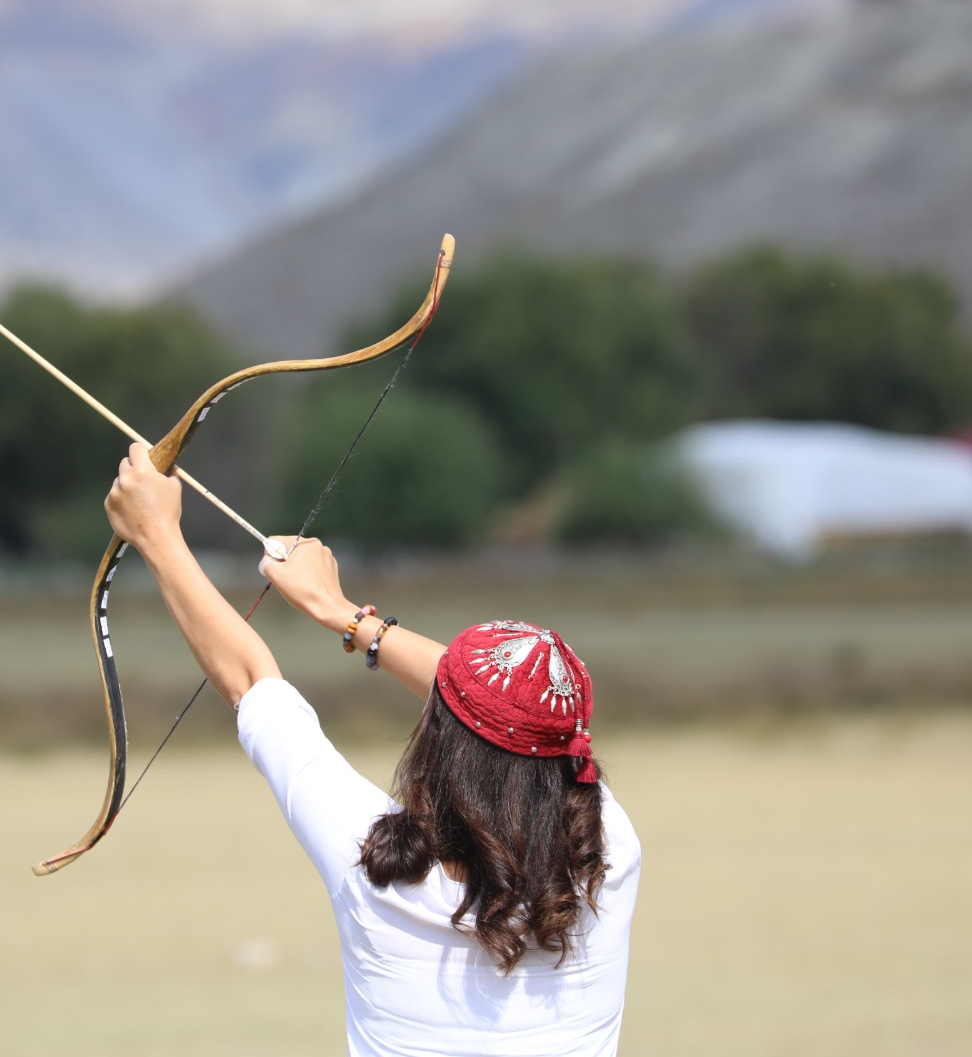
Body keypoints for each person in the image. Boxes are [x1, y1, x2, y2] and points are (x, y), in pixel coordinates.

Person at [105, 443, 641, 1056]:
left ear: (441, 733)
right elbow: (518, 715)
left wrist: (156, 533)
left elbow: (254, 684)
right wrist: (338, 613)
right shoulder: (609, 857)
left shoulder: (377, 870)